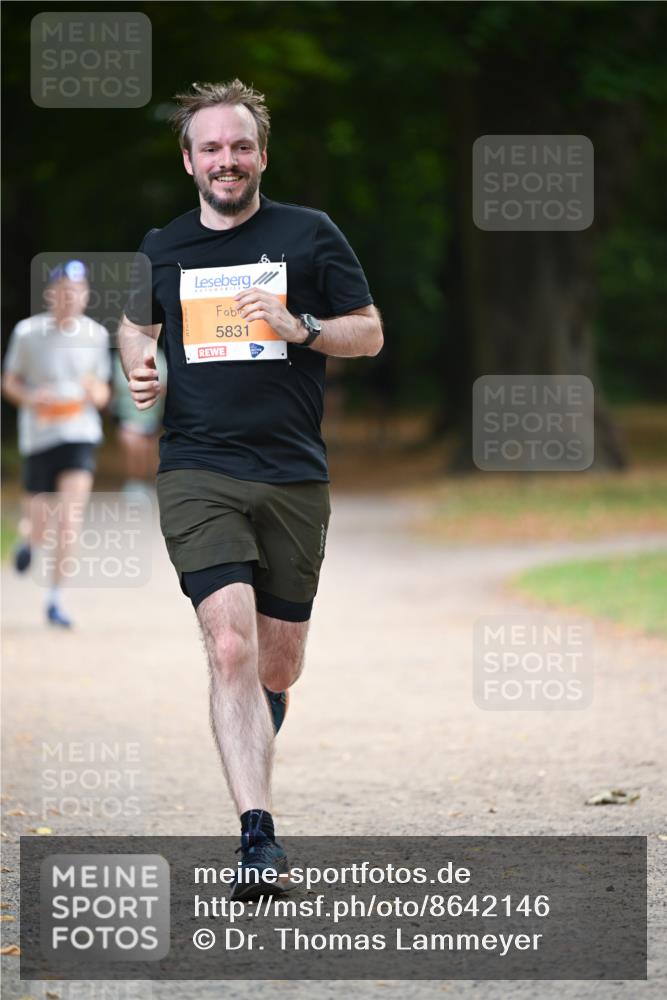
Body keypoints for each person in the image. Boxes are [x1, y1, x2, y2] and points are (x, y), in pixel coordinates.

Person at [118, 79, 383, 897]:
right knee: (226, 643)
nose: (225, 160)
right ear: (189, 160)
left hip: (294, 474)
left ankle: (255, 726)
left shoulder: (310, 234)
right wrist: (137, 362)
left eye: (239, 147)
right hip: (198, 467)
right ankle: (256, 836)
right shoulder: (161, 247)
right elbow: (136, 322)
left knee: (276, 664)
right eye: (210, 148)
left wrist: (299, 326)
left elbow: (368, 333)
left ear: (259, 154)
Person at [2, 260, 111, 627]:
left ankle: (55, 599)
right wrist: (33, 399)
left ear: (85, 296)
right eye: (63, 292)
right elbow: (10, 383)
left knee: (69, 519)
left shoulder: (96, 335)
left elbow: (102, 389)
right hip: (39, 436)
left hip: (79, 434)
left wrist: (94, 393)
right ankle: (29, 541)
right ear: (51, 295)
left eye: (76, 292)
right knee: (41, 521)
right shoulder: (27, 333)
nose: (70, 298)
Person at [112, 347, 167, 493]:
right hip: (127, 416)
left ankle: (146, 483)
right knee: (132, 448)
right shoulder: (120, 359)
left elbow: (164, 387)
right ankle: (133, 483)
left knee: (150, 453)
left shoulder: (159, 357)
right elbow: (117, 388)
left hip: (153, 417)